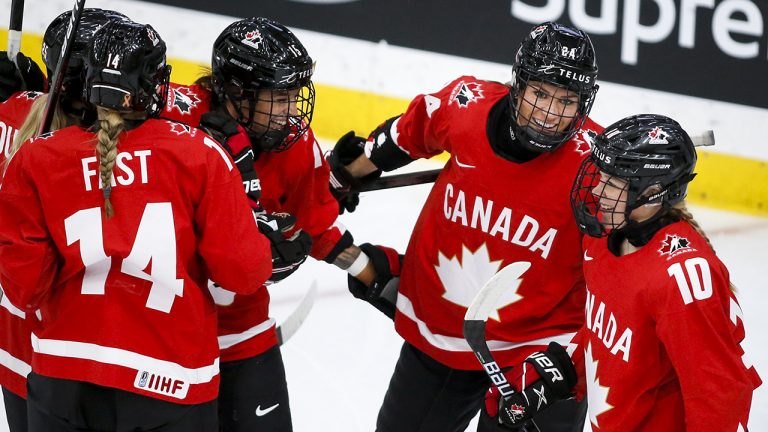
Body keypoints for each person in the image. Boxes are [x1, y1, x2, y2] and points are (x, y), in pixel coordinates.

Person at [326, 22, 602, 431]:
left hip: (539, 352)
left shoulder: (596, 170)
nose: (548, 113)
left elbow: (617, 278)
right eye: (540, 93)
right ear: (518, 85)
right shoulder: (466, 105)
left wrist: (569, 361)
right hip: (444, 332)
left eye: (566, 100)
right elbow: (405, 135)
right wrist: (344, 174)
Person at [0, 20, 272, 432]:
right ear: (158, 86)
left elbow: (24, 289)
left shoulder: (36, 159)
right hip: (170, 383)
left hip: (63, 377)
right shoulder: (199, 153)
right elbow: (244, 272)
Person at [486, 114, 763, 431]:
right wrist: (561, 369)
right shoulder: (602, 236)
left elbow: (719, 393)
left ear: (653, 192)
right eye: (602, 174)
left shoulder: (680, 277)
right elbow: (615, 333)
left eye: (615, 182)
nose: (599, 189)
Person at [162, 17, 359, 431]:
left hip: (242, 333)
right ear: (235, 92)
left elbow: (311, 226)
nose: (290, 113)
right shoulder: (170, 119)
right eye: (278, 98)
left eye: (294, 97)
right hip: (162, 339)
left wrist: (367, 271)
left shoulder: (296, 143)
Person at [0, 9, 130, 432]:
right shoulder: (122, 152)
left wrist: (23, 94)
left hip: (20, 347)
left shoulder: (15, 117)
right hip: (93, 355)